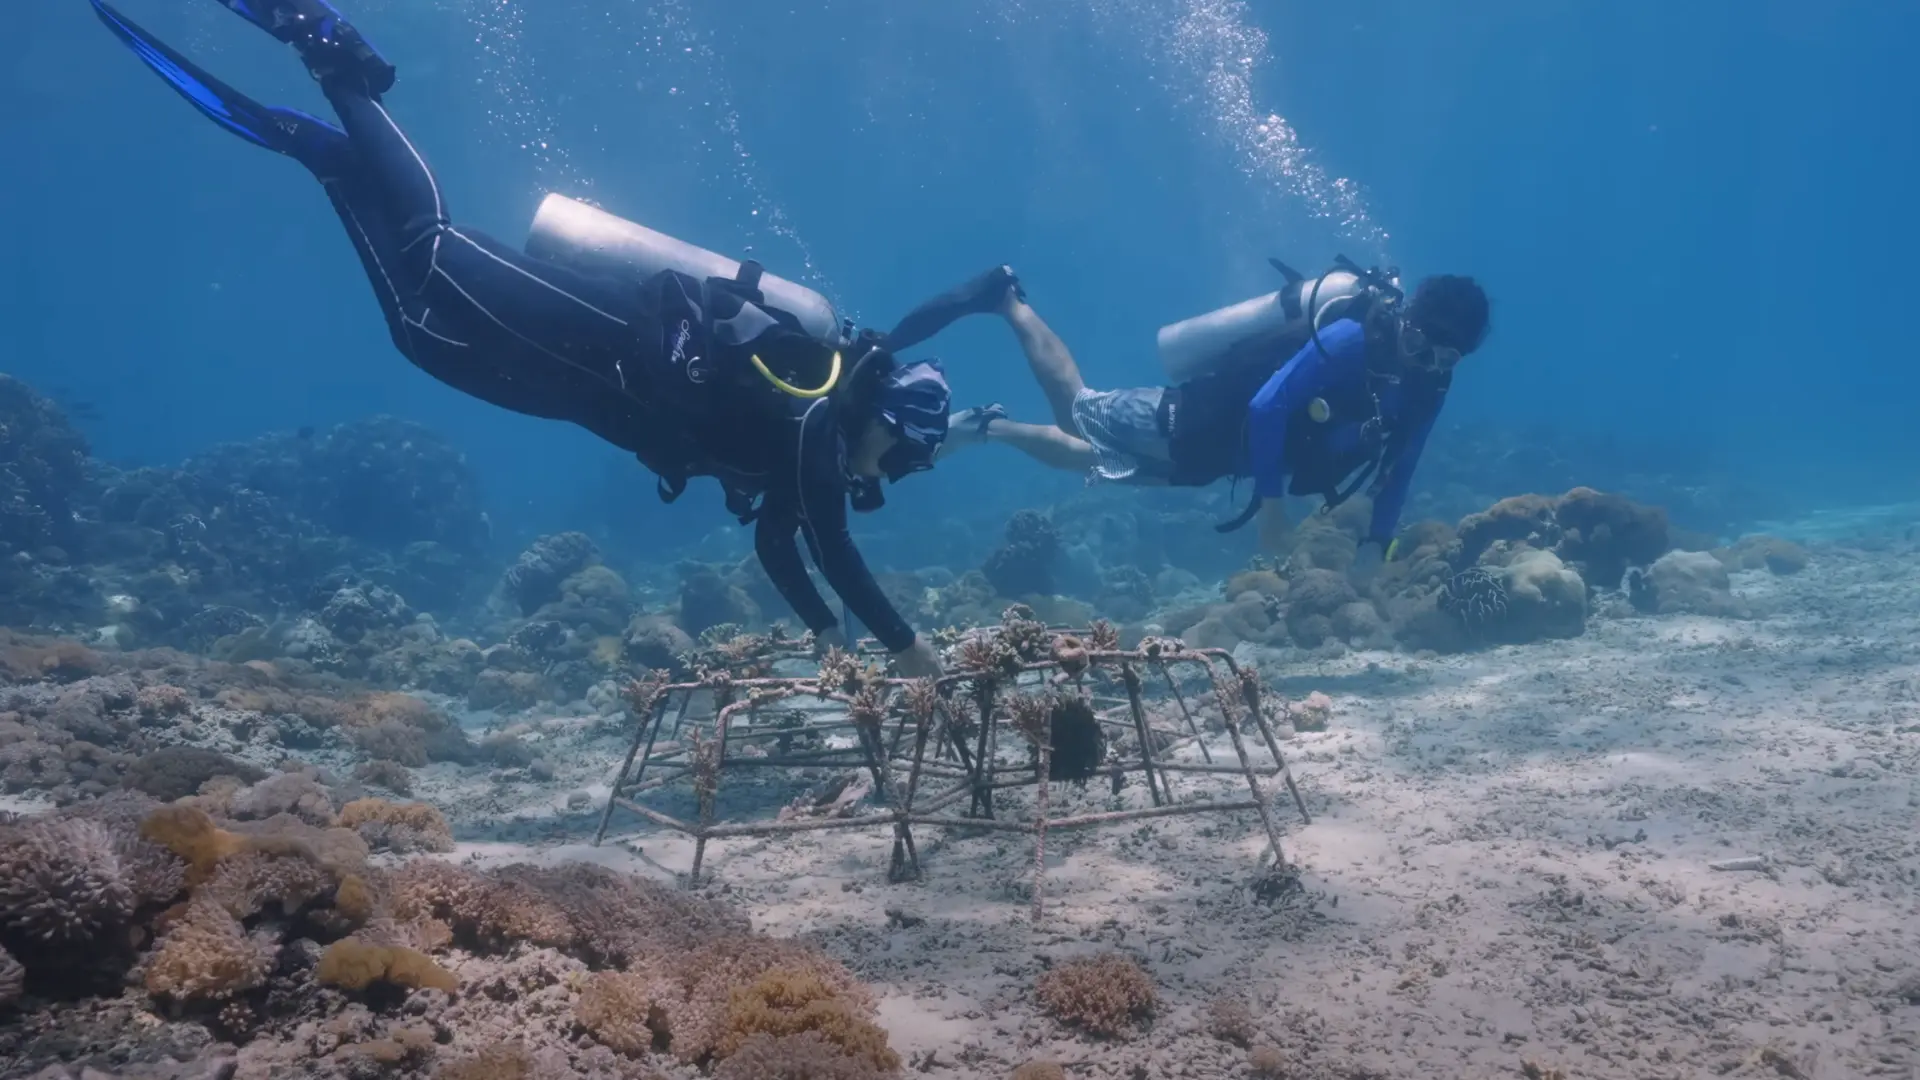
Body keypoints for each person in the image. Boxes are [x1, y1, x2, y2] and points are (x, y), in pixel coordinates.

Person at [89, 0, 948, 676]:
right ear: (886, 416)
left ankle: (328, 154)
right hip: (600, 331)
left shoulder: (809, 458)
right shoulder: (813, 423)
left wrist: (823, 629)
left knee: (420, 334)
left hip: (576, 386)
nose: (895, 474)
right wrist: (902, 643)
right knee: (431, 247)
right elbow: (830, 544)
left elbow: (777, 540)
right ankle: (332, 55)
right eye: (905, 457)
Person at [919, 263, 1491, 567]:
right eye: (1422, 344)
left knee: (1082, 457)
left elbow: (1402, 467)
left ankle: (987, 427)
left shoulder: (1428, 386)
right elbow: (1269, 407)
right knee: (1077, 413)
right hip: (1193, 418)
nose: (1426, 362)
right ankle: (1007, 299)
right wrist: (1271, 508)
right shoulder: (1351, 339)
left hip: (1222, 457)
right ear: (1407, 318)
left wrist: (1377, 544)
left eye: (1446, 357)